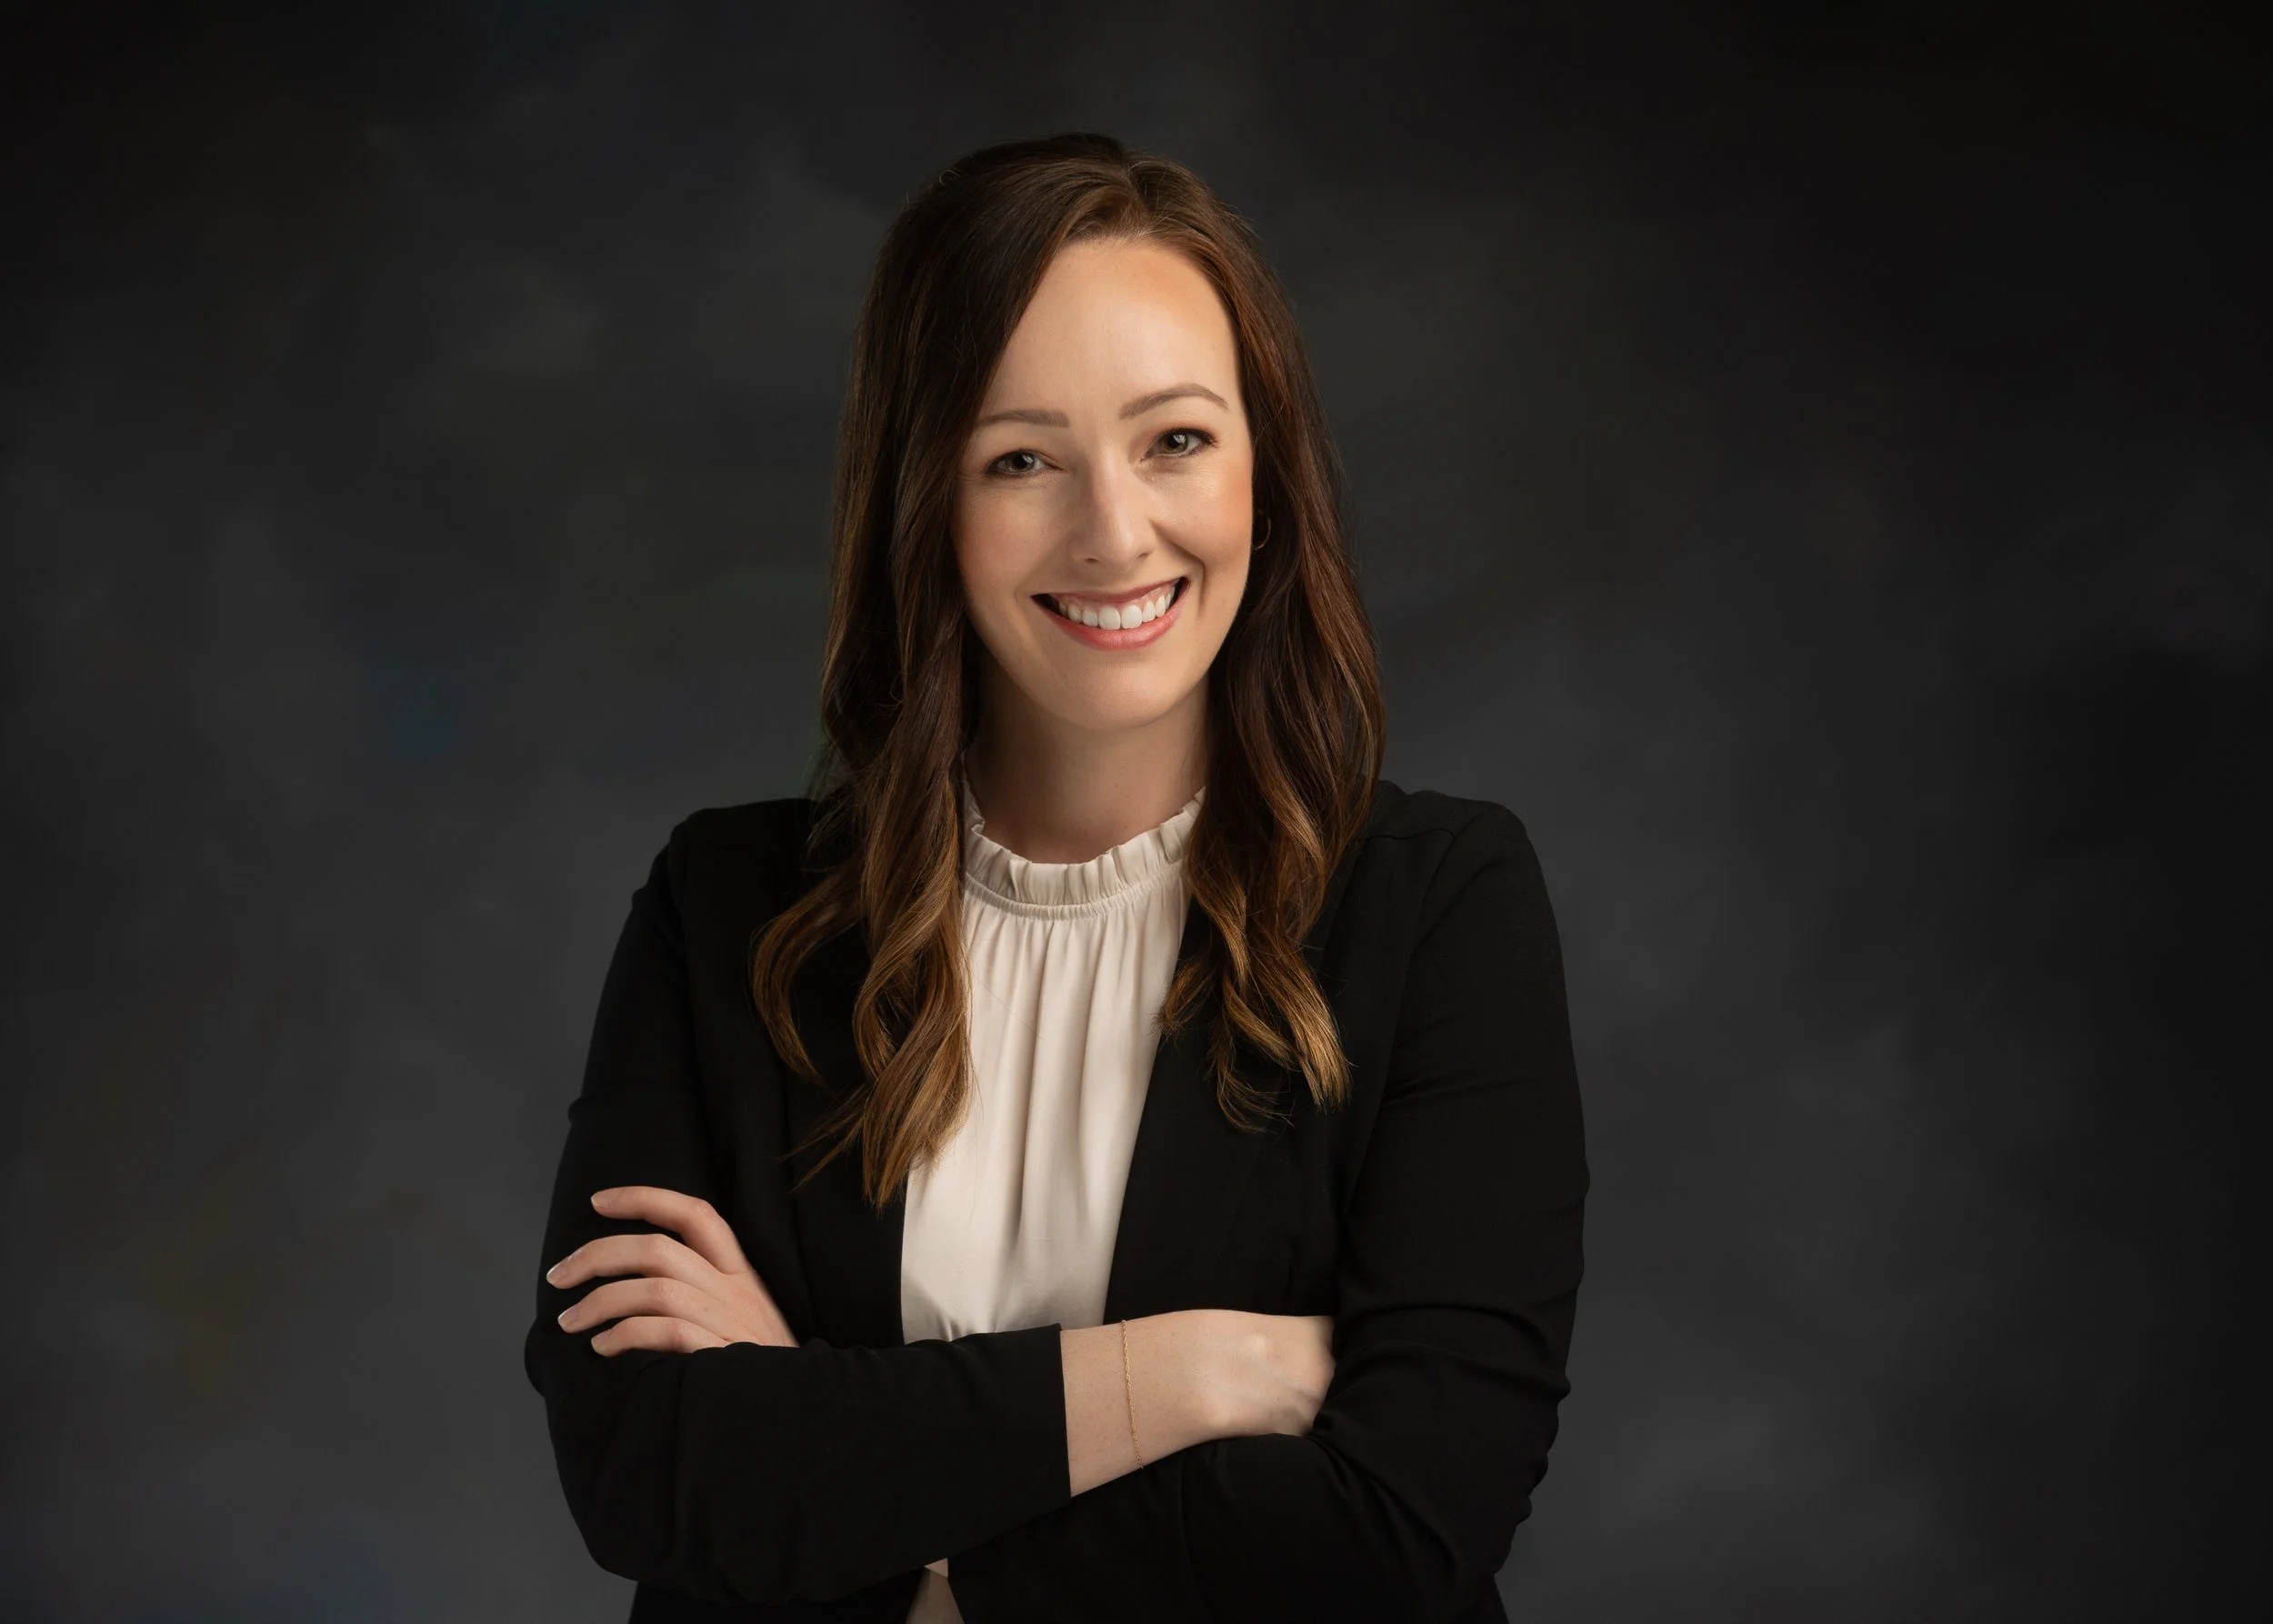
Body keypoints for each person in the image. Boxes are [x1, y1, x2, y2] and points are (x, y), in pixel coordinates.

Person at [525, 131, 1587, 1624]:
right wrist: (1191, 1374)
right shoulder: (729, 911)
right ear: (926, 508)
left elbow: (1399, 1528)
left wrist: (866, 1499)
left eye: (1177, 440)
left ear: (1263, 477)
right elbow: (649, 1474)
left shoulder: (1439, 906)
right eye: (1020, 458)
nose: (1113, 530)